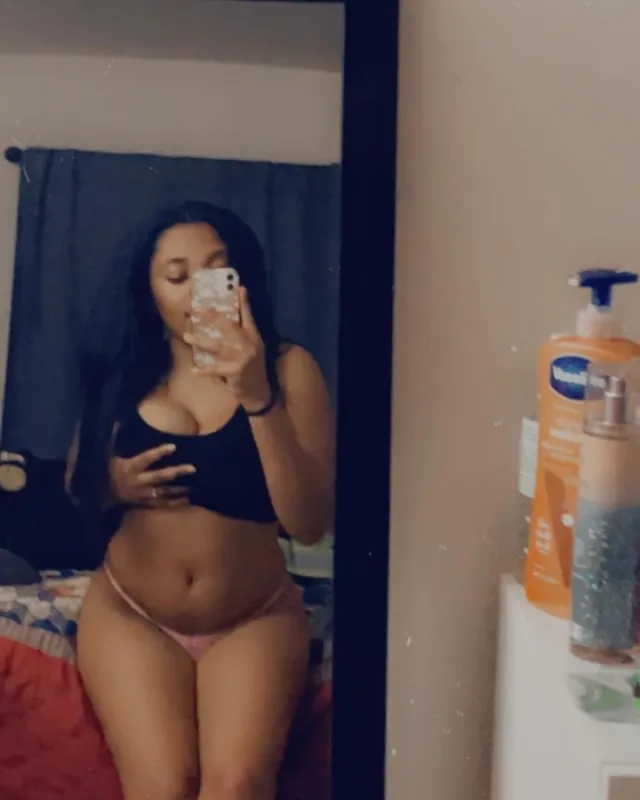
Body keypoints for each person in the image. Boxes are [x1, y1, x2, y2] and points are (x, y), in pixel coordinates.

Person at [66, 201, 335, 800]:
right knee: (162, 788)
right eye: (177, 275)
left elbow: (309, 524)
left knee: (235, 786)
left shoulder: (289, 369)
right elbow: (76, 483)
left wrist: (257, 396)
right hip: (131, 613)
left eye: (217, 270)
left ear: (241, 280)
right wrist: (113, 485)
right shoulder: (124, 368)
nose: (198, 290)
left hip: (254, 615)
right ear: (150, 290)